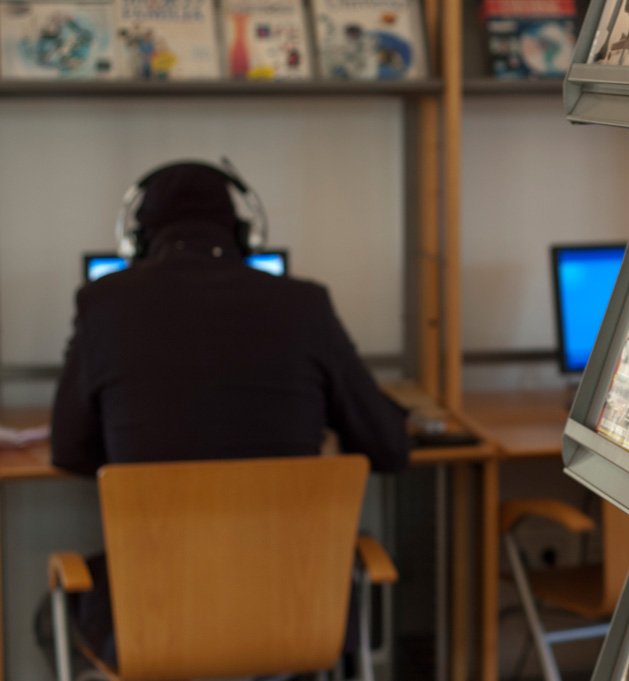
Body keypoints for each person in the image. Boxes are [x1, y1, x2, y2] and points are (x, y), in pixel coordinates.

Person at [48, 160, 411, 669]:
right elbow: (389, 447)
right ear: (245, 233)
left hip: (156, 612)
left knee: (60, 608)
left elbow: (67, 449)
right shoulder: (305, 304)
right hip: (294, 609)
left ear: (135, 241)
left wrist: (142, 464)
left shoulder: (100, 304)